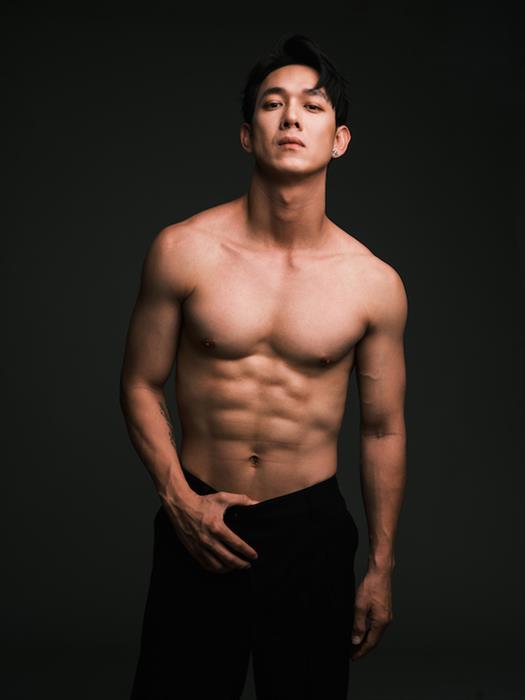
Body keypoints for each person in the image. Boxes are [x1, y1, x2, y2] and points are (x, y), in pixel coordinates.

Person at [120, 32, 407, 700]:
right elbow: (138, 383)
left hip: (311, 531)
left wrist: (381, 566)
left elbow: (382, 429)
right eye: (273, 104)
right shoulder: (183, 251)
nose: (290, 118)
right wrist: (178, 499)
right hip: (199, 516)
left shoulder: (373, 284)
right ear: (248, 134)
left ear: (339, 140)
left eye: (312, 106)